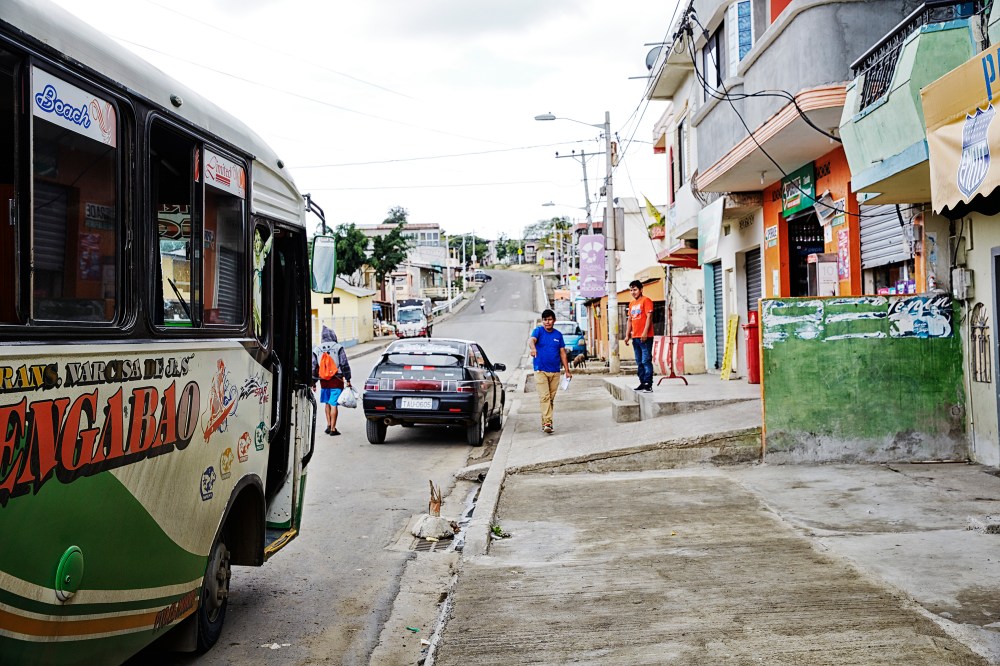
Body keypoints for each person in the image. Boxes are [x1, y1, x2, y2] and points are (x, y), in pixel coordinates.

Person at [528, 309, 572, 434]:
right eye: (545, 320)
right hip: (540, 370)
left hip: (555, 371)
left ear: (554, 320)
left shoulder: (558, 335)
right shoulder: (538, 331)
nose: (547, 322)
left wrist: (567, 371)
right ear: (542, 321)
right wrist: (533, 348)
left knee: (550, 399)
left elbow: (562, 353)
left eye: (549, 319)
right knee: (545, 397)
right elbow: (531, 340)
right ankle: (548, 422)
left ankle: (546, 422)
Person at [312, 326, 352, 436]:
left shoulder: (317, 349)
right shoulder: (338, 347)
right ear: (333, 336)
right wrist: (348, 379)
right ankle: (333, 429)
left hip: (324, 380)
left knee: (327, 402)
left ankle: (328, 425)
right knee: (334, 403)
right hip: (336, 379)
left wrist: (313, 382)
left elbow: (314, 367)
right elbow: (344, 363)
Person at [624, 279, 654, 393]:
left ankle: (648, 384)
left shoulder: (646, 301)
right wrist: (627, 335)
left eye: (635, 289)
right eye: (631, 290)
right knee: (639, 361)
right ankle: (642, 382)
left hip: (645, 337)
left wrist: (645, 332)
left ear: (641, 289)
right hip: (635, 337)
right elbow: (629, 320)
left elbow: (649, 317)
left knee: (646, 360)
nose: (633, 292)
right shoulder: (631, 304)